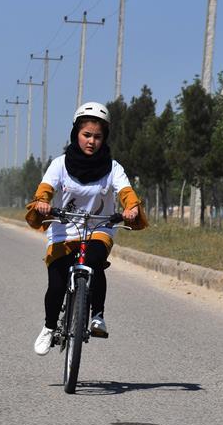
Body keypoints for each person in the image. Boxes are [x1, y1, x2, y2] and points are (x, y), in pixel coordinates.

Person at [25, 101, 147, 355]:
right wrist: (43, 203)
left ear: (105, 138)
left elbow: (125, 192)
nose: (91, 141)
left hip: (99, 227)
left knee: (94, 261)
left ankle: (98, 315)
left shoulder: (113, 168)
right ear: (76, 134)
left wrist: (131, 208)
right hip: (63, 227)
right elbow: (45, 188)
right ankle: (49, 328)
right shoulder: (60, 164)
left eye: (97, 136)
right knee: (57, 284)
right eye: (86, 135)